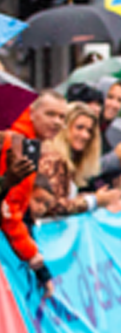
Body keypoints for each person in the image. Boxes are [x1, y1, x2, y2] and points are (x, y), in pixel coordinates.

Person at [1, 90, 70, 296]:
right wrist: (35, 259)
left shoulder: (26, 141)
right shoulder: (16, 143)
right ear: (32, 112)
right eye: (50, 114)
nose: (57, 122)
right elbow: (9, 210)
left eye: (62, 117)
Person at [31, 103, 121, 220]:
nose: (85, 135)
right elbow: (53, 206)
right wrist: (94, 200)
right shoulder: (53, 158)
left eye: (89, 131)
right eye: (79, 127)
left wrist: (93, 197)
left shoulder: (68, 160)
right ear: (65, 126)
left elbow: (62, 200)